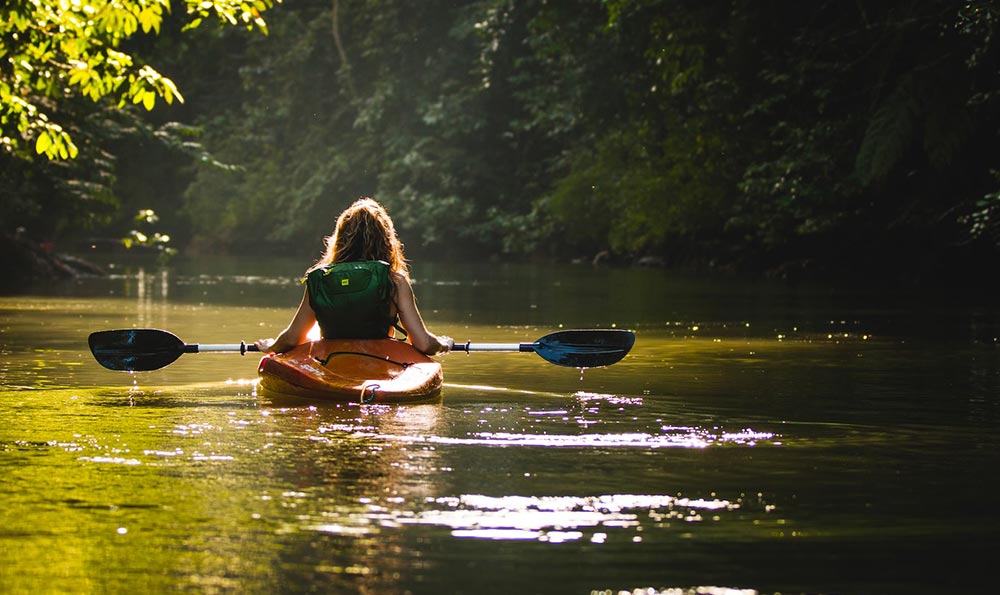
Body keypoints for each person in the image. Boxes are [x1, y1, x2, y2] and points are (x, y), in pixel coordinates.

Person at [255, 197, 452, 355]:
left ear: (340, 239)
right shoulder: (395, 281)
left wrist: (272, 347)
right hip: (381, 361)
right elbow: (424, 344)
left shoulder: (321, 279)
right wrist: (443, 344)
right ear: (386, 240)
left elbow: (292, 338)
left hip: (330, 362)